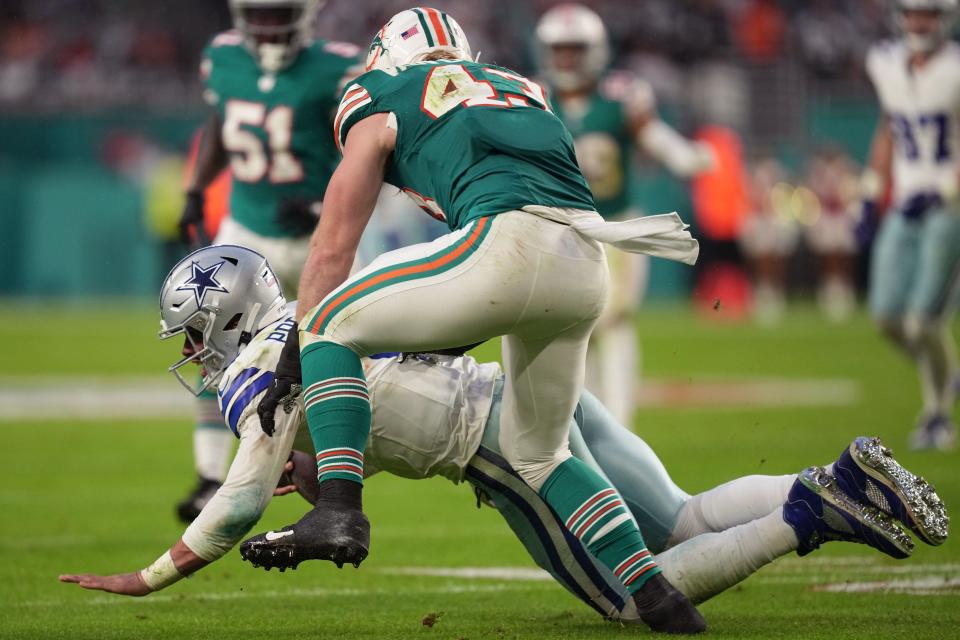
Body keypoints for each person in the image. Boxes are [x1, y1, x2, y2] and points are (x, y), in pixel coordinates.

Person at [60, 246, 948, 626]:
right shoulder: (319, 311)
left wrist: (145, 578)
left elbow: (236, 506)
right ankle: (832, 475)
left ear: (228, 316)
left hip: (499, 444)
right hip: (529, 389)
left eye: (192, 333)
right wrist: (315, 459)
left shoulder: (261, 373)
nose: (191, 353)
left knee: (631, 599)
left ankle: (810, 512)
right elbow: (362, 399)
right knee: (678, 516)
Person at [241, 8, 705, 632]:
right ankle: (658, 596)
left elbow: (331, 248)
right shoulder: (523, 87)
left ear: (388, 53)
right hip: (586, 260)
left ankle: (338, 507)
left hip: (504, 244)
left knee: (325, 317)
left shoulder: (376, 92)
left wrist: (296, 356)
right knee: (539, 454)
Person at [173, 0, 362, 523]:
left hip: (324, 235)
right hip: (246, 228)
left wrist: (326, 202)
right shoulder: (224, 57)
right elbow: (221, 120)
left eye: (279, 12)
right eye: (257, 12)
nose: (268, 25)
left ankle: (324, 476)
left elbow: (369, 146)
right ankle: (210, 477)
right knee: (209, 348)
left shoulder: (338, 66)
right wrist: (196, 186)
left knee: (332, 352)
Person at [535, 3, 715, 424]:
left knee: (612, 320)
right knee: (573, 327)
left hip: (616, 225)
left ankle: (619, 420)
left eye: (574, 49)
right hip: (562, 227)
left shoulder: (618, 95)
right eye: (558, 49)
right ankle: (590, 419)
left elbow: (650, 133)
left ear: (594, 50)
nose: (565, 58)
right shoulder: (535, 96)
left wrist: (683, 155)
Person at [860, 0, 960, 450]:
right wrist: (869, 192)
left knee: (923, 322)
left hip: (948, 208)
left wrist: (946, 191)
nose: (919, 22)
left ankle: (937, 415)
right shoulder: (883, 62)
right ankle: (949, 374)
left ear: (945, 18)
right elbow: (888, 126)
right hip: (903, 204)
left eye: (929, 14)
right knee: (886, 317)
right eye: (913, 12)